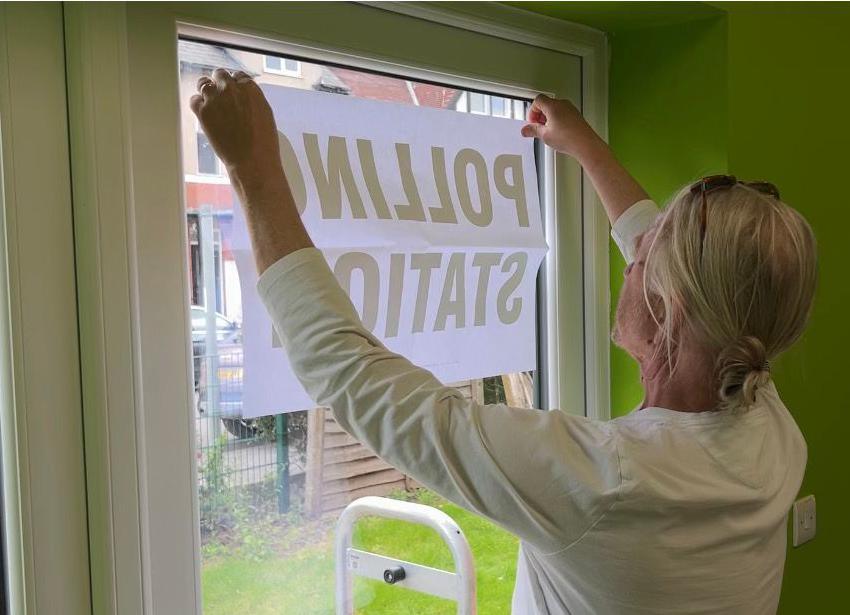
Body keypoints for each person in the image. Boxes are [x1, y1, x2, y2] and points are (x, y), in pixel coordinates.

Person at [191, 68, 817, 614]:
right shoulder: (767, 421)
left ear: (671, 309)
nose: (630, 253)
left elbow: (351, 375)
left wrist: (251, 168)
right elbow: (689, 274)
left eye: (643, 255)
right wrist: (584, 145)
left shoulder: (605, 482)